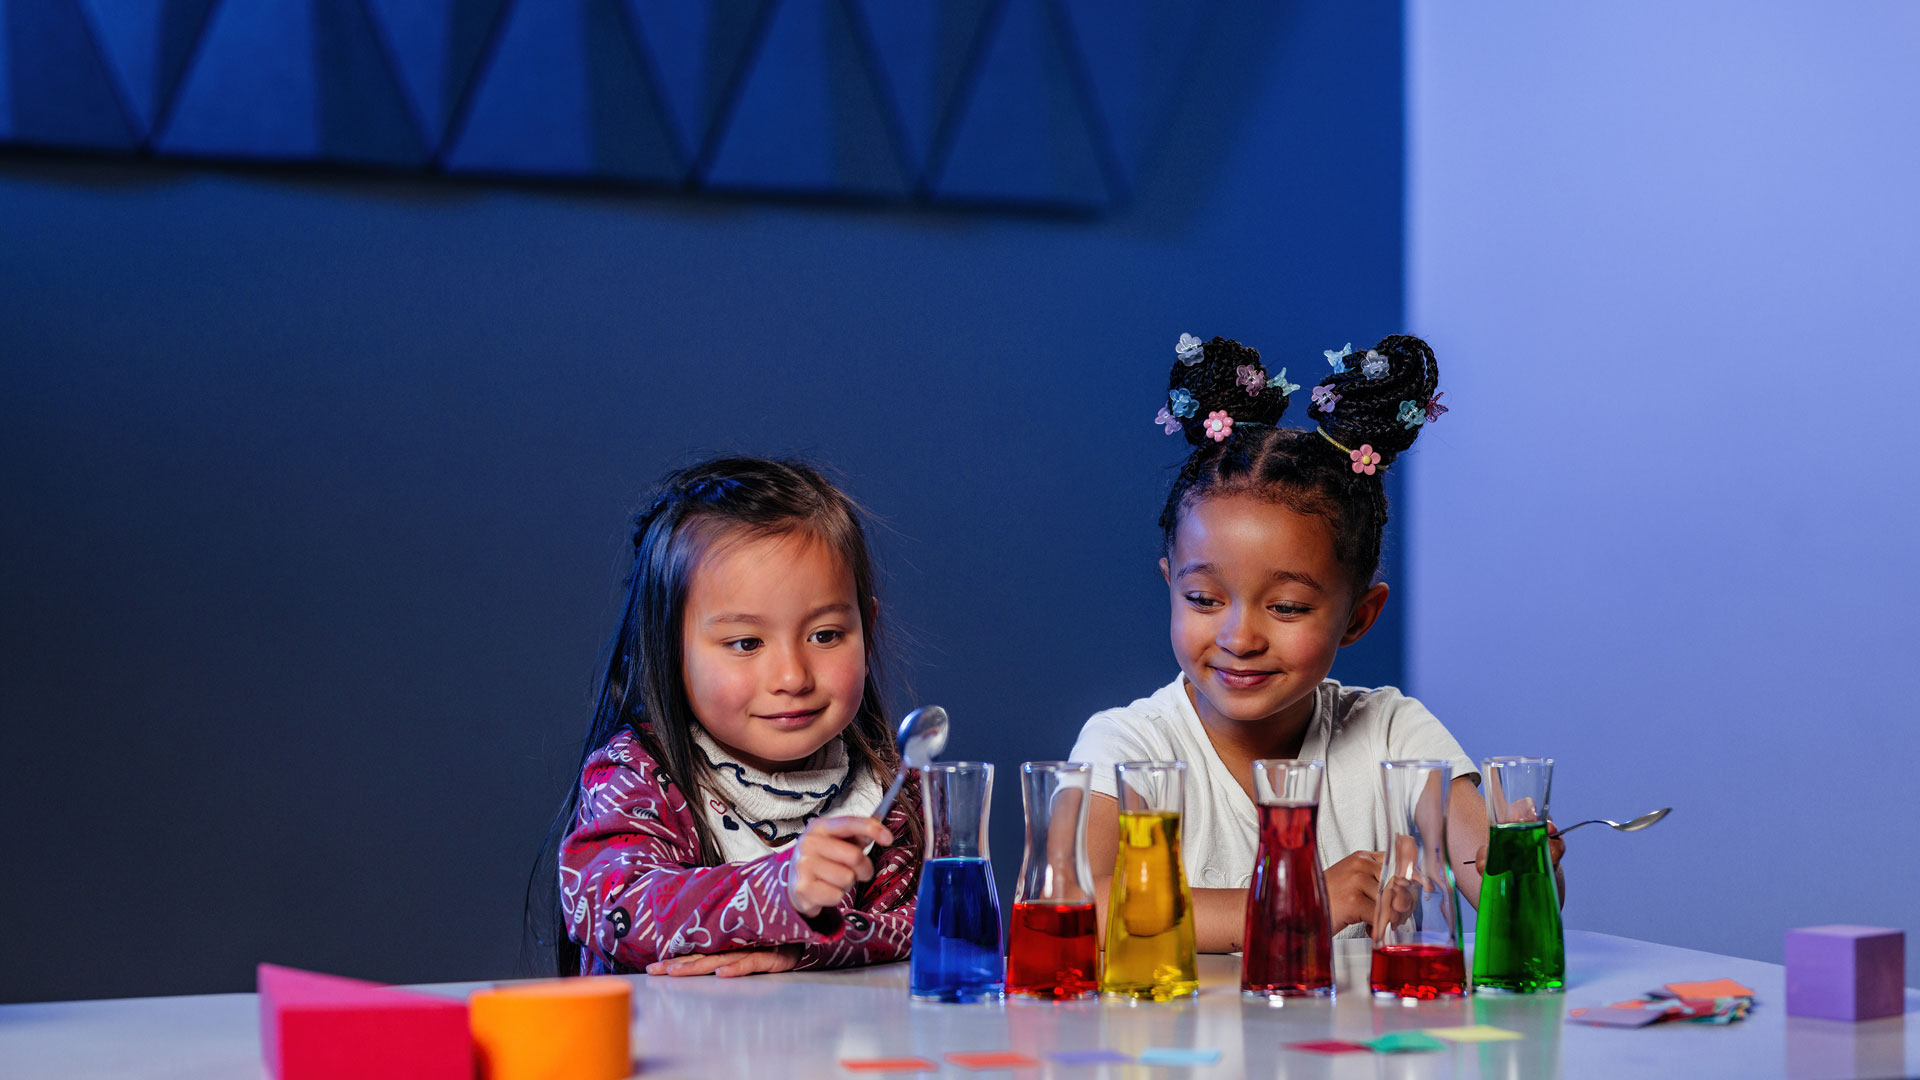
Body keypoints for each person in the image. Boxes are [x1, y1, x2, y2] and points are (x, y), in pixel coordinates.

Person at [1073, 333, 1561, 952]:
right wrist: (1290, 902)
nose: (1240, 637)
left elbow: (1490, 885)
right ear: (1171, 586)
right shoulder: (1128, 747)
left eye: (1287, 607)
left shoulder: (1392, 732)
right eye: (1203, 600)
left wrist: (1523, 861)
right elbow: (1082, 903)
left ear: (1359, 617)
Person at [552, 457, 920, 977]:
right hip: (671, 1055)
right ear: (668, 650)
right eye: (746, 643)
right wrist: (778, 892)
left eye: (826, 636)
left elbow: (922, 926)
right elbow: (616, 906)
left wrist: (805, 947)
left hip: (834, 1054)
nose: (793, 676)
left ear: (867, 626)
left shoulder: (891, 793)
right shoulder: (634, 777)